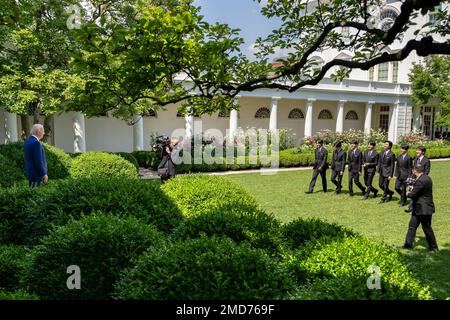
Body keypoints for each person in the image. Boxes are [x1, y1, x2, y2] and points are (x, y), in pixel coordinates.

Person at [403, 165, 439, 252]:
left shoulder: (421, 181)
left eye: (412, 171)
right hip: (418, 208)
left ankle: (434, 247)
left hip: (423, 209)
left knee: (426, 228)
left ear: (414, 171)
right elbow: (420, 190)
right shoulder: (427, 178)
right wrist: (413, 188)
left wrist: (408, 191)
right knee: (412, 226)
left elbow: (412, 195)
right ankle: (408, 245)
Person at [405, 146, 431, 212]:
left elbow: (426, 171)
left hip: (421, 180)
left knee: (416, 193)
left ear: (423, 152)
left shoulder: (426, 160)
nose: (417, 151)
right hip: (414, 178)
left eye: (419, 150)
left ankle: (411, 207)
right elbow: (414, 169)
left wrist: (421, 178)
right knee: (414, 192)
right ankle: (411, 207)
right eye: (417, 150)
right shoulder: (416, 159)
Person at [24, 124, 48, 188]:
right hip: (37, 175)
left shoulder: (28, 141)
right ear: (38, 132)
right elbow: (38, 161)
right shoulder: (36, 143)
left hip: (31, 174)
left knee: (32, 195)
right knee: (36, 196)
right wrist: (44, 174)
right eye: (43, 131)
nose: (44, 133)